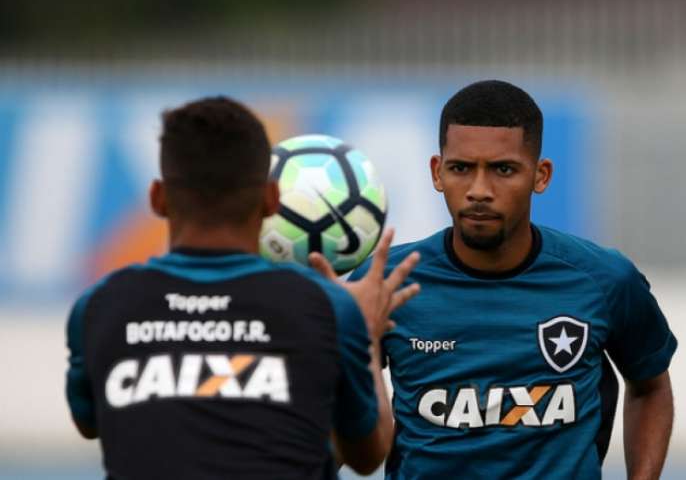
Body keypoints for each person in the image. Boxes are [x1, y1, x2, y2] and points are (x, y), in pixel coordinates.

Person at [322, 80, 677, 479]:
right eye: (461, 168)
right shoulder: (387, 280)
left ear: (540, 176)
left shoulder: (604, 279)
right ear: (437, 172)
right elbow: (334, 421)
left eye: (503, 170)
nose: (479, 190)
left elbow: (650, 387)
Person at [65, 96, 420, 479]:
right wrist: (365, 336)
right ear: (271, 199)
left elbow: (89, 423)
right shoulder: (328, 310)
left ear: (156, 197)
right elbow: (368, 454)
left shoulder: (100, 306)